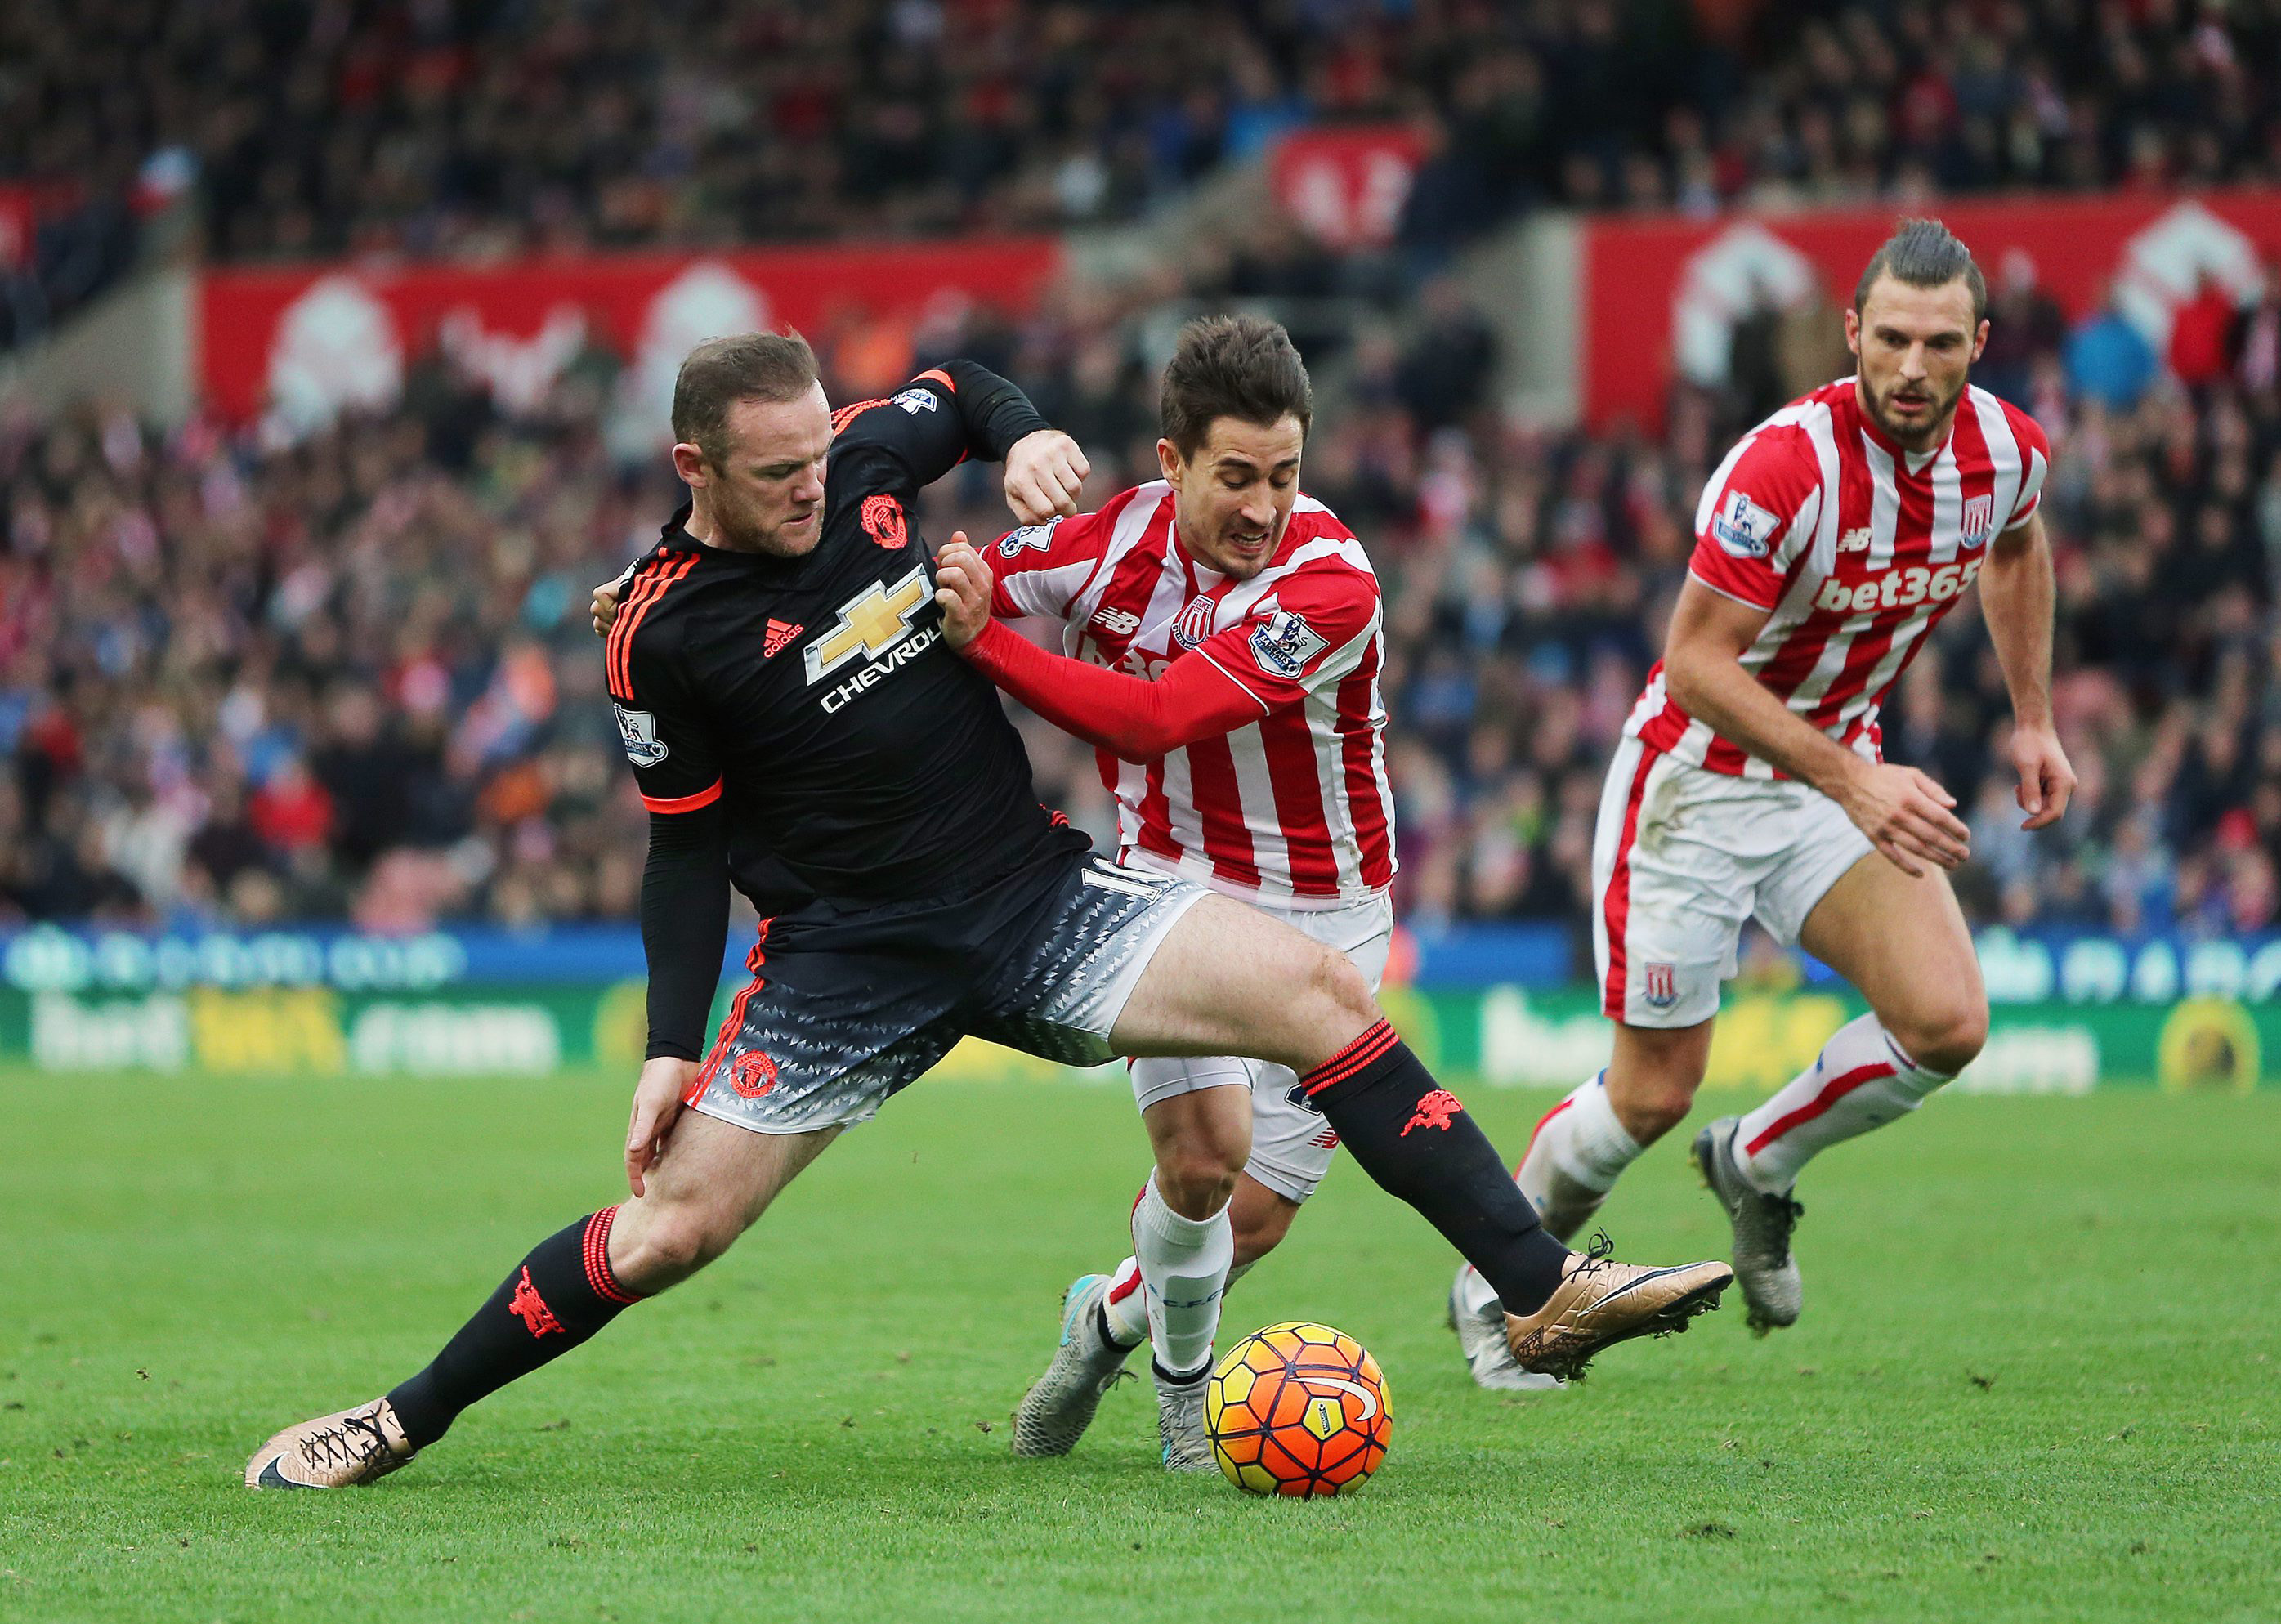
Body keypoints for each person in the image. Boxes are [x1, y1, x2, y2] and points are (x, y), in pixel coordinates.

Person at [247, 332, 1730, 1490]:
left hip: (1032, 895)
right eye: (776, 477)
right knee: (665, 1235)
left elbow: (960, 385)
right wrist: (664, 1045)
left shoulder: (865, 461)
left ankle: (1542, 1290)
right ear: (690, 463)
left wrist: (1022, 441)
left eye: (822, 458)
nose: (815, 489)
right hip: (845, 962)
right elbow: (682, 851)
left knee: (1325, 1004)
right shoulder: (656, 633)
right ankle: (394, 1419)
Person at [1454, 218, 2074, 1389]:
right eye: (1890, 338)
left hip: (1833, 777)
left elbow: (2018, 548)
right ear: (1851, 334)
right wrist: (1854, 778)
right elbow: (1693, 662)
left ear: (1978, 345)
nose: (1912, 367)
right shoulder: (1783, 466)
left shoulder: (2010, 454)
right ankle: (1506, 1287)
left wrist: (2033, 718)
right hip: (1697, 785)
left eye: (1940, 343)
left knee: (1947, 1022)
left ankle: (1758, 1160)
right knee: (1647, 1096)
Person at [924, 314, 1400, 1465]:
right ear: (1171, 460)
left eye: (1284, 476)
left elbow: (1161, 717)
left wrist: (991, 644)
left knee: (1255, 1217)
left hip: (1330, 911)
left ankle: (1104, 1320)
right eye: (1235, 476)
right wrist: (680, 589)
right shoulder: (1097, 550)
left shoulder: (1329, 580)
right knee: (1200, 1156)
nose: (1263, 506)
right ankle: (1188, 1408)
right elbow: (939, 591)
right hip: (1167, 897)